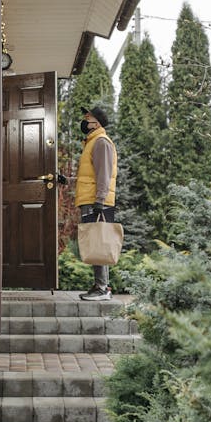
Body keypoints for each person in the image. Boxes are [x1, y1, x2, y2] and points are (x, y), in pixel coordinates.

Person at [74, 103, 118, 301]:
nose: (84, 120)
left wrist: (99, 200)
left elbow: (104, 174)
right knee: (95, 240)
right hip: (92, 199)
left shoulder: (101, 142)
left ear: (96, 122)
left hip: (97, 201)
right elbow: (90, 175)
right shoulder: (92, 142)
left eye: (88, 117)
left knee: (99, 241)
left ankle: (103, 288)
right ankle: (99, 285)